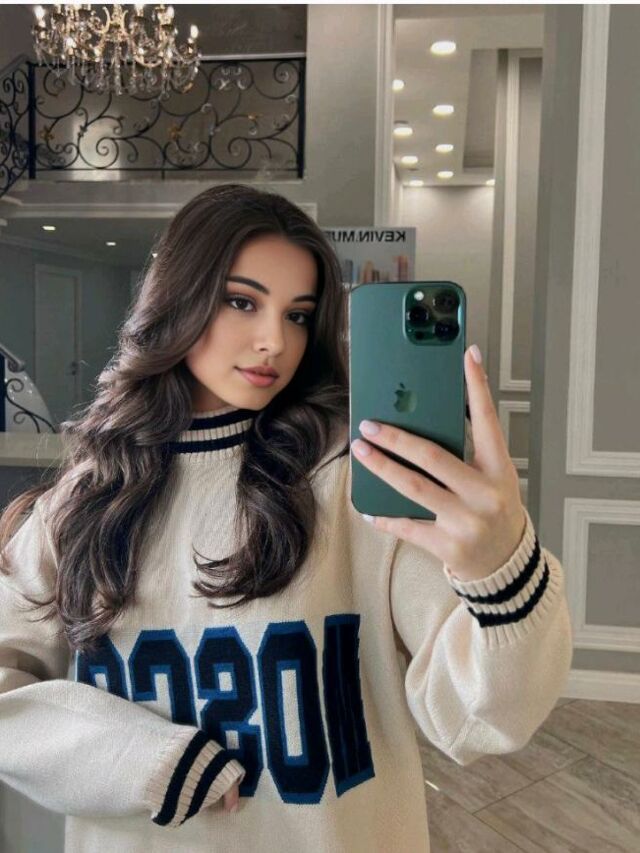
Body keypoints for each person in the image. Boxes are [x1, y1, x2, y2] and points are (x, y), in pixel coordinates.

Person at [0, 183, 573, 853]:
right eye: (242, 301)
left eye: (298, 315)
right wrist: (140, 760)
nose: (274, 340)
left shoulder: (355, 478)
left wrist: (500, 570)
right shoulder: (86, 499)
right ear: (178, 298)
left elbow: (483, 718)